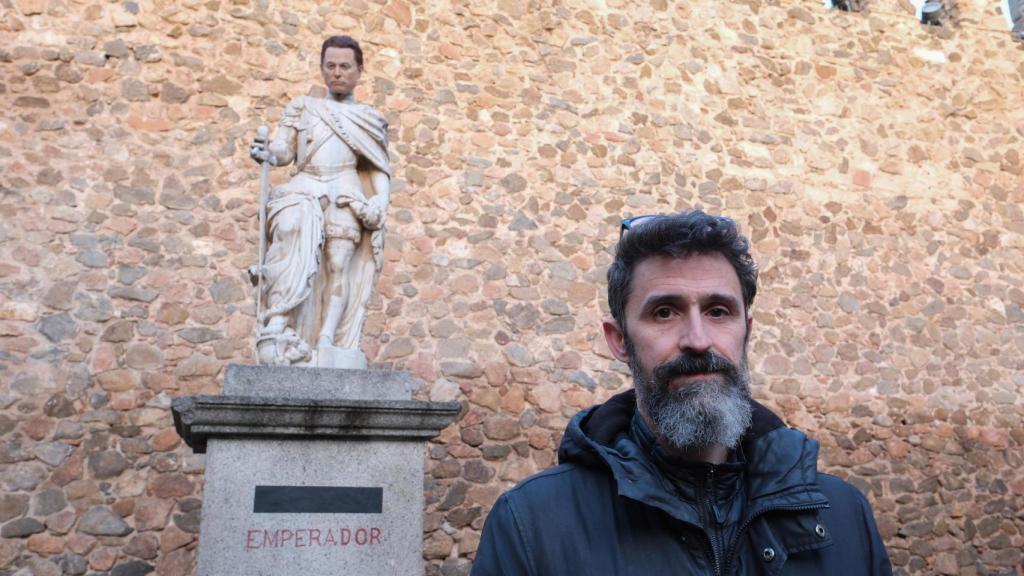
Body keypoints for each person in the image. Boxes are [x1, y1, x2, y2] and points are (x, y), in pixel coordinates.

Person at [472, 211, 892, 575]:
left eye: (717, 311)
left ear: (747, 330)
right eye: (665, 312)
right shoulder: (532, 525)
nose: (697, 339)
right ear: (619, 340)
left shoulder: (844, 517)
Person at [249, 35, 390, 367]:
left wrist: (380, 201)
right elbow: (284, 150)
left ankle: (327, 339)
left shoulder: (369, 118)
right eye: (330, 66)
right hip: (305, 183)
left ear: (359, 70)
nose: (336, 73)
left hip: (345, 188)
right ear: (322, 68)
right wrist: (267, 152)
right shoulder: (302, 106)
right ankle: (279, 322)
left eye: (344, 66)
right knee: (289, 232)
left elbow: (378, 165)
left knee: (338, 265)